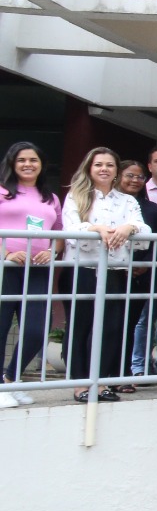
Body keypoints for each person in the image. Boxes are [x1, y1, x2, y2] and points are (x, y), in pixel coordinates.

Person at [62, 147, 151, 402]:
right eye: (98, 164)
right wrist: (95, 228)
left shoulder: (127, 201)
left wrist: (129, 227)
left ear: (116, 171)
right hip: (82, 269)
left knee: (112, 327)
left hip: (114, 269)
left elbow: (143, 231)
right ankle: (80, 384)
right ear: (90, 168)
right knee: (81, 325)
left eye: (109, 165)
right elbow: (71, 230)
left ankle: (100, 382)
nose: (104, 169)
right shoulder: (77, 196)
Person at [0, 142, 61, 406]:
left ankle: (10, 379)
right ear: (12, 164)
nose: (28, 164)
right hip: (5, 269)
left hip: (37, 271)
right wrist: (6, 254)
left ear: (41, 164)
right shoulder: (2, 192)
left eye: (33, 160)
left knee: (37, 329)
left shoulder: (50, 197)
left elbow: (60, 234)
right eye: (22, 160)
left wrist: (52, 251)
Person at [117, 160, 157, 388]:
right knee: (110, 325)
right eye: (129, 175)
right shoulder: (110, 204)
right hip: (112, 272)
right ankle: (104, 373)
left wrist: (147, 263)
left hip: (140, 274)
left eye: (139, 177)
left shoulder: (152, 209)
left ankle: (124, 373)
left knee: (130, 325)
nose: (135, 181)